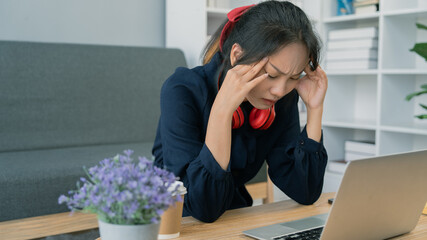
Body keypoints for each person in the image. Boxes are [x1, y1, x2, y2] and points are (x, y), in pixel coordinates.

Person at [152, 0, 328, 223]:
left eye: (293, 78)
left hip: (233, 213)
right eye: (272, 75)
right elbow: (201, 207)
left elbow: (305, 192)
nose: (279, 90)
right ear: (236, 56)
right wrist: (223, 110)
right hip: (174, 219)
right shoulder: (182, 90)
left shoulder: (283, 98)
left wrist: (315, 110)